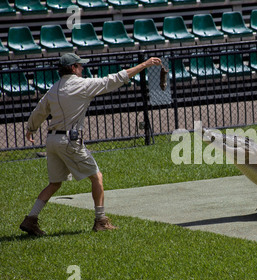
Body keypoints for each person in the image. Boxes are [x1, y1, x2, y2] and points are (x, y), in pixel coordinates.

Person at [20, 53, 162, 236]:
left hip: (52, 141)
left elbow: (40, 109)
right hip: (70, 141)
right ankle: (101, 221)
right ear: (73, 68)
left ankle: (31, 219)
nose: (82, 68)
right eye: (80, 66)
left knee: (54, 183)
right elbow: (115, 79)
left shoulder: (54, 89)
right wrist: (144, 64)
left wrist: (31, 128)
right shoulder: (83, 85)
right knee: (97, 178)